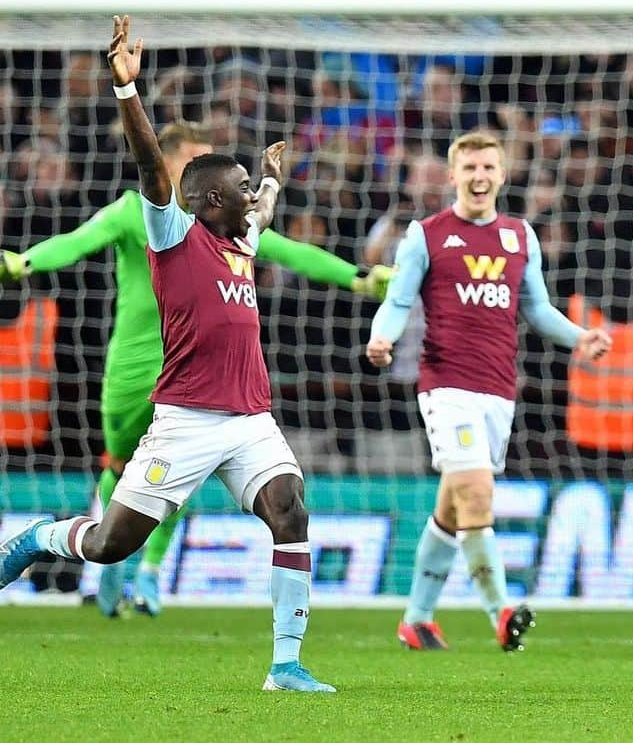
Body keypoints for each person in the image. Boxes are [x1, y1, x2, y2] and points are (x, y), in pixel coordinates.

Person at [0, 16, 335, 692]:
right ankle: (37, 538)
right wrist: (128, 90)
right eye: (239, 187)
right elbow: (154, 168)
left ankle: (286, 665)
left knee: (290, 507)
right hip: (185, 421)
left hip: (249, 418)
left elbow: (263, 212)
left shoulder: (241, 241)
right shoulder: (172, 238)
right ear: (209, 200)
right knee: (108, 545)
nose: (249, 197)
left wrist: (269, 179)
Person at [0, 119, 391, 619]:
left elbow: (288, 248)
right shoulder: (141, 214)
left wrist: (356, 278)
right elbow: (77, 241)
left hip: (201, 373)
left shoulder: (232, 233)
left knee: (190, 473)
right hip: (136, 364)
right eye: (196, 162)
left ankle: (150, 572)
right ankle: (109, 562)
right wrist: (23, 264)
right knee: (120, 469)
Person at [366, 131, 612, 651]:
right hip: (445, 385)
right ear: (453, 176)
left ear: (502, 175)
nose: (479, 177)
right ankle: (501, 612)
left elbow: (538, 309)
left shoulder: (520, 236)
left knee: (454, 508)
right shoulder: (426, 235)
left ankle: (417, 619)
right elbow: (398, 298)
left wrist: (579, 338)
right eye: (469, 168)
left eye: (488, 168)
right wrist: (381, 337)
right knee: (477, 493)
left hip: (499, 391)